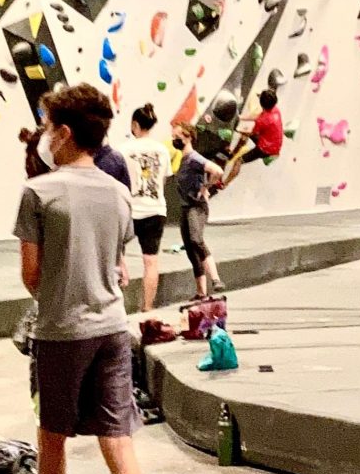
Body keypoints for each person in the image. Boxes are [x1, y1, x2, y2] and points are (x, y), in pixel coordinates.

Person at [12, 84, 143, 474]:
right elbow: (118, 263)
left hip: (62, 330)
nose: (45, 136)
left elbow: (32, 275)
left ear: (63, 132)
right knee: (118, 441)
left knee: (52, 432)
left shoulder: (39, 192)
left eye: (48, 126)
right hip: (112, 327)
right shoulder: (118, 193)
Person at [117, 103, 171, 312]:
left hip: (130, 211)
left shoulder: (123, 150)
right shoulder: (162, 150)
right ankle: (147, 308)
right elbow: (164, 181)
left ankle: (117, 308)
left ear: (134, 124)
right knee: (151, 262)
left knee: (116, 259)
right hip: (155, 210)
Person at [172, 122, 226, 299]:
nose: (174, 140)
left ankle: (216, 279)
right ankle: (201, 292)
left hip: (197, 206)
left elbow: (216, 170)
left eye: (177, 137)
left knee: (196, 240)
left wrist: (206, 186)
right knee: (189, 248)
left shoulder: (194, 158)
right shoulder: (183, 159)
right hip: (186, 206)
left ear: (188, 137)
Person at [224, 89, 284, 189]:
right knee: (247, 132)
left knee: (239, 161)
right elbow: (258, 116)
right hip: (274, 142)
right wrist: (242, 118)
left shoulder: (262, 121)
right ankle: (239, 145)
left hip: (265, 149)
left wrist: (239, 129)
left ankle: (224, 183)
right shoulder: (275, 110)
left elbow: (253, 132)